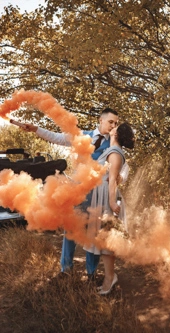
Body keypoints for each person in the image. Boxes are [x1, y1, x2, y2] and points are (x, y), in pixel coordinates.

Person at [23, 108, 129, 280]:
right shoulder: (82, 135)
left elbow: (122, 166)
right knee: (70, 229)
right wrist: (36, 129)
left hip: (98, 194)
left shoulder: (114, 143)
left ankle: (91, 274)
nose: (113, 126)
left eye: (116, 123)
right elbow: (57, 137)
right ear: (100, 120)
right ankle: (66, 270)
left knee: (93, 233)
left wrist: (120, 178)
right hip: (77, 191)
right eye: (111, 122)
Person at [84, 122, 135, 295]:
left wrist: (112, 203)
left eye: (115, 126)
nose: (112, 126)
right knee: (105, 241)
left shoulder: (114, 153)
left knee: (106, 242)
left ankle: (109, 279)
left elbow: (112, 180)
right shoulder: (113, 151)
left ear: (116, 134)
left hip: (107, 198)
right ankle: (109, 276)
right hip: (103, 195)